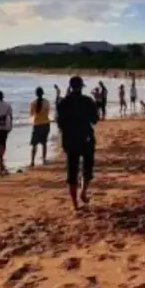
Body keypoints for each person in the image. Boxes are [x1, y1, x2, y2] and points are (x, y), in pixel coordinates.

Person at [55, 75, 99, 211]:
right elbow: (95, 120)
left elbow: (59, 123)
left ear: (70, 87)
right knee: (87, 168)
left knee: (72, 171)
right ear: (81, 87)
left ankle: (75, 204)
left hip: (70, 140)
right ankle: (83, 192)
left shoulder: (63, 103)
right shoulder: (88, 101)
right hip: (86, 138)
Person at [28, 87, 51, 167]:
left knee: (34, 144)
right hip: (46, 124)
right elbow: (48, 112)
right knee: (44, 143)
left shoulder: (33, 103)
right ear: (43, 93)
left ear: (36, 94)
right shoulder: (47, 102)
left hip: (37, 124)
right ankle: (44, 160)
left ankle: (32, 161)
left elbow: (31, 114)